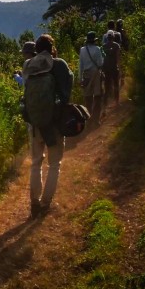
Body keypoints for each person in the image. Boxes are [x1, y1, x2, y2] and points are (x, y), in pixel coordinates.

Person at [22, 34, 72, 218]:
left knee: (36, 163)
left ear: (36, 49)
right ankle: (45, 203)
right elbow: (66, 93)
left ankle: (34, 203)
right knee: (54, 164)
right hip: (54, 124)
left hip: (34, 124)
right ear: (52, 47)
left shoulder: (29, 66)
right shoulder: (59, 64)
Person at [78, 31, 105, 125]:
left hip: (86, 75)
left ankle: (88, 119)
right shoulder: (97, 49)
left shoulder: (82, 50)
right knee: (97, 96)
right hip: (96, 73)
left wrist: (80, 78)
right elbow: (101, 63)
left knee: (88, 98)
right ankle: (96, 120)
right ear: (94, 40)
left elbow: (80, 65)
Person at [102, 26, 122, 105]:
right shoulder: (116, 45)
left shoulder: (103, 46)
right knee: (116, 85)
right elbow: (118, 58)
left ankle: (105, 105)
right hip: (114, 68)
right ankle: (117, 102)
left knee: (107, 87)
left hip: (106, 69)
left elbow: (102, 59)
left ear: (107, 37)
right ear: (113, 37)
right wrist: (120, 69)